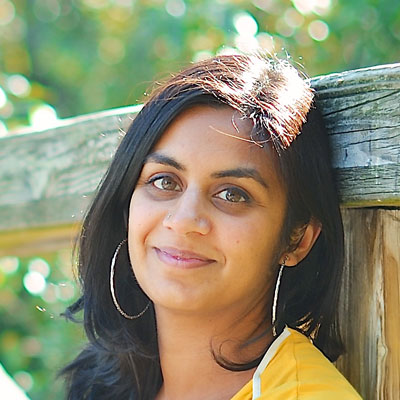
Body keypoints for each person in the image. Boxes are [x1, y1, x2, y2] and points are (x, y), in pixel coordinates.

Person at [60, 53, 363, 399]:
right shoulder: (101, 382)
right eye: (164, 181)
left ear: (296, 239)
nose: (184, 220)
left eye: (232, 195)